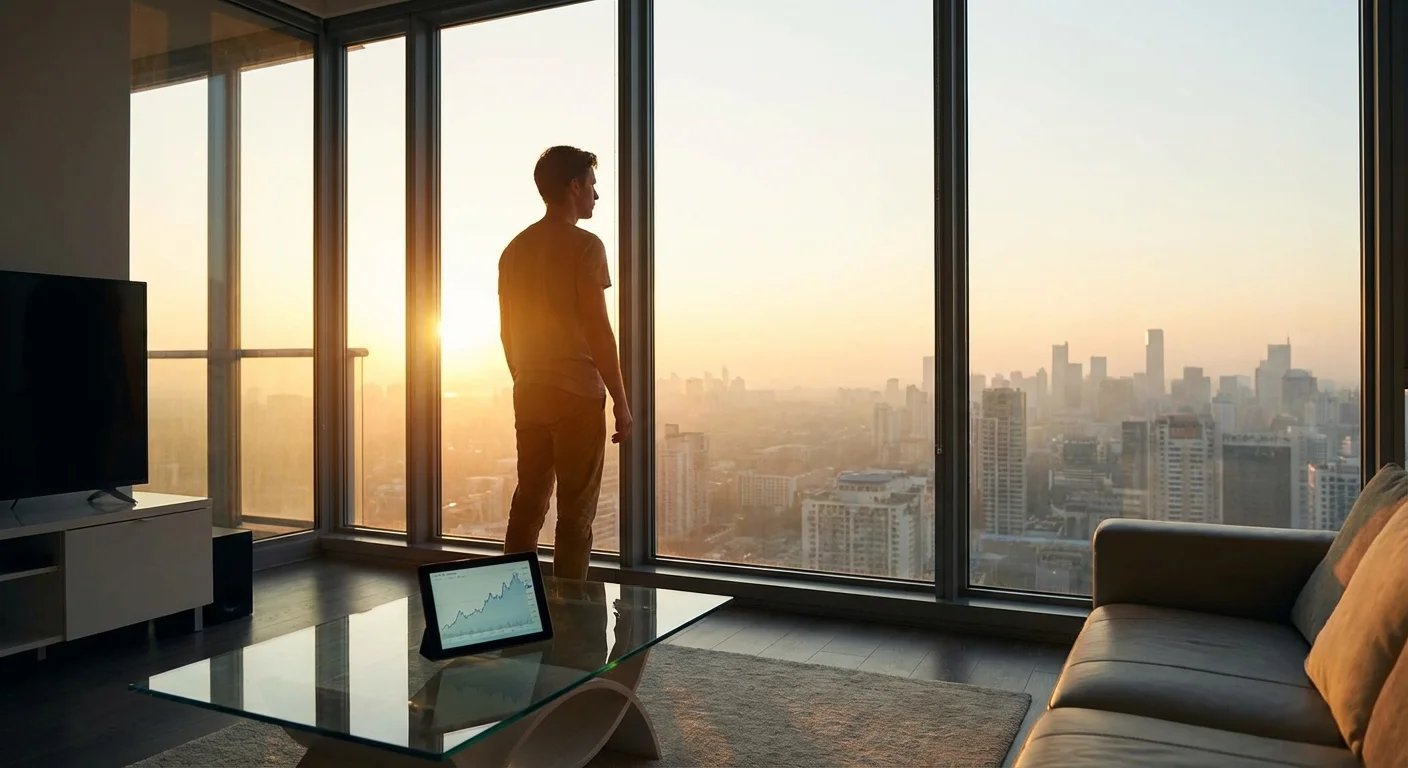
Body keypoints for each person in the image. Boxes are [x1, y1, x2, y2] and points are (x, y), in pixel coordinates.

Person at [498, 145, 631, 580]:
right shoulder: (586, 246)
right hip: (577, 395)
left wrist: (527, 377)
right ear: (574, 187)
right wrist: (621, 402)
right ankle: (571, 624)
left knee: (528, 505)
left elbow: (507, 334)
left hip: (530, 391)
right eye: (592, 184)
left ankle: (515, 611)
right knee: (575, 516)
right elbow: (598, 330)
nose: (597, 194)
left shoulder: (514, 250)